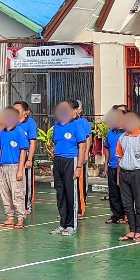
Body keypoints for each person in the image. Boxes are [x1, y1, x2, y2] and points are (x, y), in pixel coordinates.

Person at [116, 110, 140, 241]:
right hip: (124, 174)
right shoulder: (122, 138)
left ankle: (139, 231)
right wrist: (118, 177)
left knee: (139, 204)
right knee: (127, 205)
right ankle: (131, 230)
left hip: (138, 174)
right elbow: (119, 159)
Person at [51, 100, 88, 236]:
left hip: (71, 160)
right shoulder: (57, 125)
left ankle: (71, 225)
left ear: (74, 112)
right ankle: (63, 223)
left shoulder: (77, 125)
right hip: (58, 159)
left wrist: (78, 166)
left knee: (70, 192)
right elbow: (56, 142)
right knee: (60, 193)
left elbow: (82, 146)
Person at [0, 106, 32, 230]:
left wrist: (20, 169)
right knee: (5, 194)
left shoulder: (19, 132)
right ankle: (10, 217)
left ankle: (20, 218)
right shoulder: (2, 132)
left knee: (18, 194)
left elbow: (23, 151)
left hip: (15, 166)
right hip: (3, 167)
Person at [69, 99, 93, 219]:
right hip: (68, 159)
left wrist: (85, 154)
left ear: (79, 110)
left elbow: (87, 139)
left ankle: (80, 209)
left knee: (80, 185)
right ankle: (69, 210)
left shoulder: (83, 122)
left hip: (79, 158)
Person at [15, 100, 40, 214]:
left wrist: (29, 159)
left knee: (26, 183)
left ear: (26, 112)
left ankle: (27, 206)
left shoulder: (30, 123)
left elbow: (33, 142)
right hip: (14, 157)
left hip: (25, 157)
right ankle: (16, 205)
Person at [104, 107, 127, 225]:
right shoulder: (110, 132)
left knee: (123, 192)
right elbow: (107, 148)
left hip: (123, 168)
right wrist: (106, 164)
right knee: (113, 193)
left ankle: (124, 215)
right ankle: (116, 214)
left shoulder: (127, 133)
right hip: (112, 165)